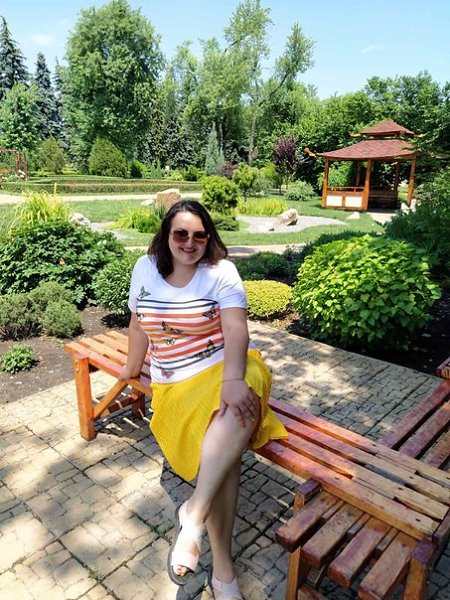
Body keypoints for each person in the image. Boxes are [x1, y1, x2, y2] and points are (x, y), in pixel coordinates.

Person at [120, 200, 287, 599]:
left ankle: (194, 516)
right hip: (175, 383)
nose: (189, 242)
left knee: (239, 402)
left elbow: (236, 329)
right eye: (180, 233)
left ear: (208, 238)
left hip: (225, 366)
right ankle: (223, 572)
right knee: (225, 457)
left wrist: (232, 379)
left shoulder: (220, 271)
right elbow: (137, 323)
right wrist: (131, 367)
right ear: (166, 235)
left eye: (199, 235)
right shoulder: (145, 268)